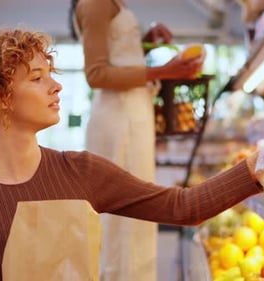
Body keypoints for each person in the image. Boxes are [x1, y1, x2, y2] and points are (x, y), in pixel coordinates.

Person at [0, 28, 263, 281]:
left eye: (52, 74)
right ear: (0, 97)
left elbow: (185, 207)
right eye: (37, 78)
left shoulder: (82, 172)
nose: (56, 86)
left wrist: (260, 166)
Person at [69, 1, 204, 280]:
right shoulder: (95, 3)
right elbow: (96, 74)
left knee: (132, 219)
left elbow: (118, 56)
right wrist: (164, 72)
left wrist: (144, 41)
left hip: (129, 116)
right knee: (124, 222)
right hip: (120, 121)